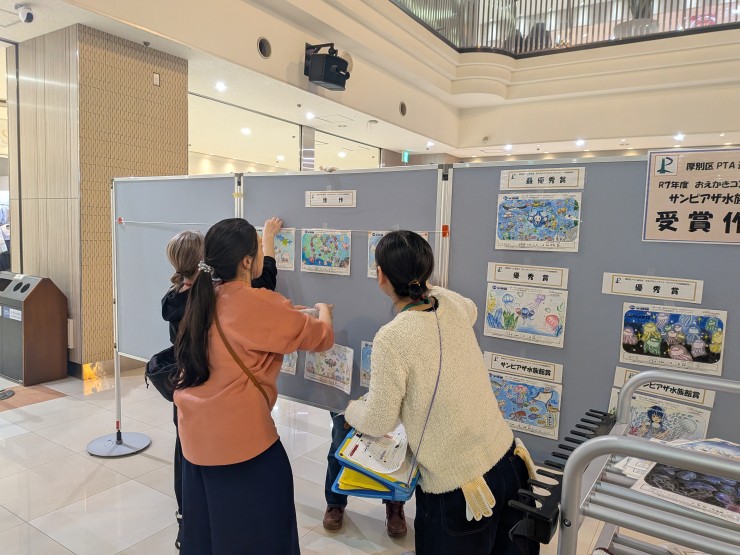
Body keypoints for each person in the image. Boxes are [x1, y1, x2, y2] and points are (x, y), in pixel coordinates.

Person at [344, 230, 539, 555]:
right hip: (510, 463)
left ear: (380, 276)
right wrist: (426, 284)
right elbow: (471, 308)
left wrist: (352, 409)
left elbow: (379, 421)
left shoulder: (391, 338)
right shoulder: (450, 304)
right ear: (427, 273)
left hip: (462, 489)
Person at [173, 217, 334, 555]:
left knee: (209, 533)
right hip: (242, 445)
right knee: (262, 534)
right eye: (260, 249)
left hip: (194, 443)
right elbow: (322, 337)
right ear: (248, 261)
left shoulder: (202, 298)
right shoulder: (260, 303)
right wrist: (323, 310)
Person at [161, 217, 282, 550]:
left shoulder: (174, 298)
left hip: (186, 397)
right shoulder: (216, 298)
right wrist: (268, 239)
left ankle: (188, 524)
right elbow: (265, 282)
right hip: (218, 403)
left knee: (186, 461)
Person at [323, 412, 407, 536]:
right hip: (344, 403)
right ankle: (335, 502)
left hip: (390, 402)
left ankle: (395, 504)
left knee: (394, 446)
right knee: (340, 444)